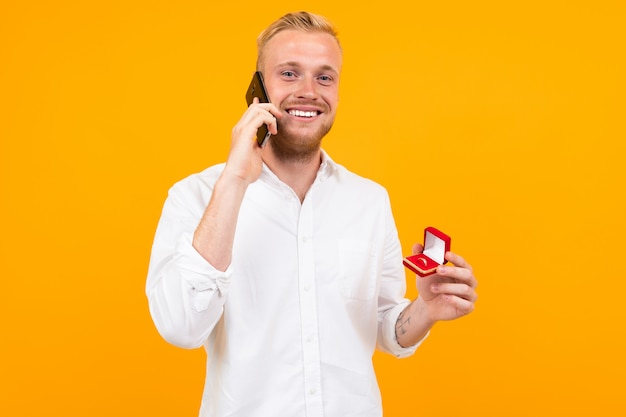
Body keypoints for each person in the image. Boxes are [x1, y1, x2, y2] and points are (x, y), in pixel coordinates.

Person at [146, 11, 478, 417]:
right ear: (258, 88)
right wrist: (234, 180)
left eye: (324, 77)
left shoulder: (369, 201)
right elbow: (181, 328)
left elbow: (385, 329)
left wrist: (426, 310)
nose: (309, 91)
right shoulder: (197, 197)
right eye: (289, 73)